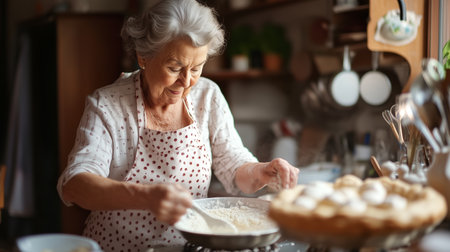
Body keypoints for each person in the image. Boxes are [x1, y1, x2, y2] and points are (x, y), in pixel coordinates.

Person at [57, 0, 299, 250]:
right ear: (144, 57)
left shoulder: (208, 96)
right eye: (174, 68)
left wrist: (261, 172)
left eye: (196, 68)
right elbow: (76, 184)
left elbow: (233, 163)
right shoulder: (108, 104)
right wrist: (146, 197)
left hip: (187, 247)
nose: (185, 82)